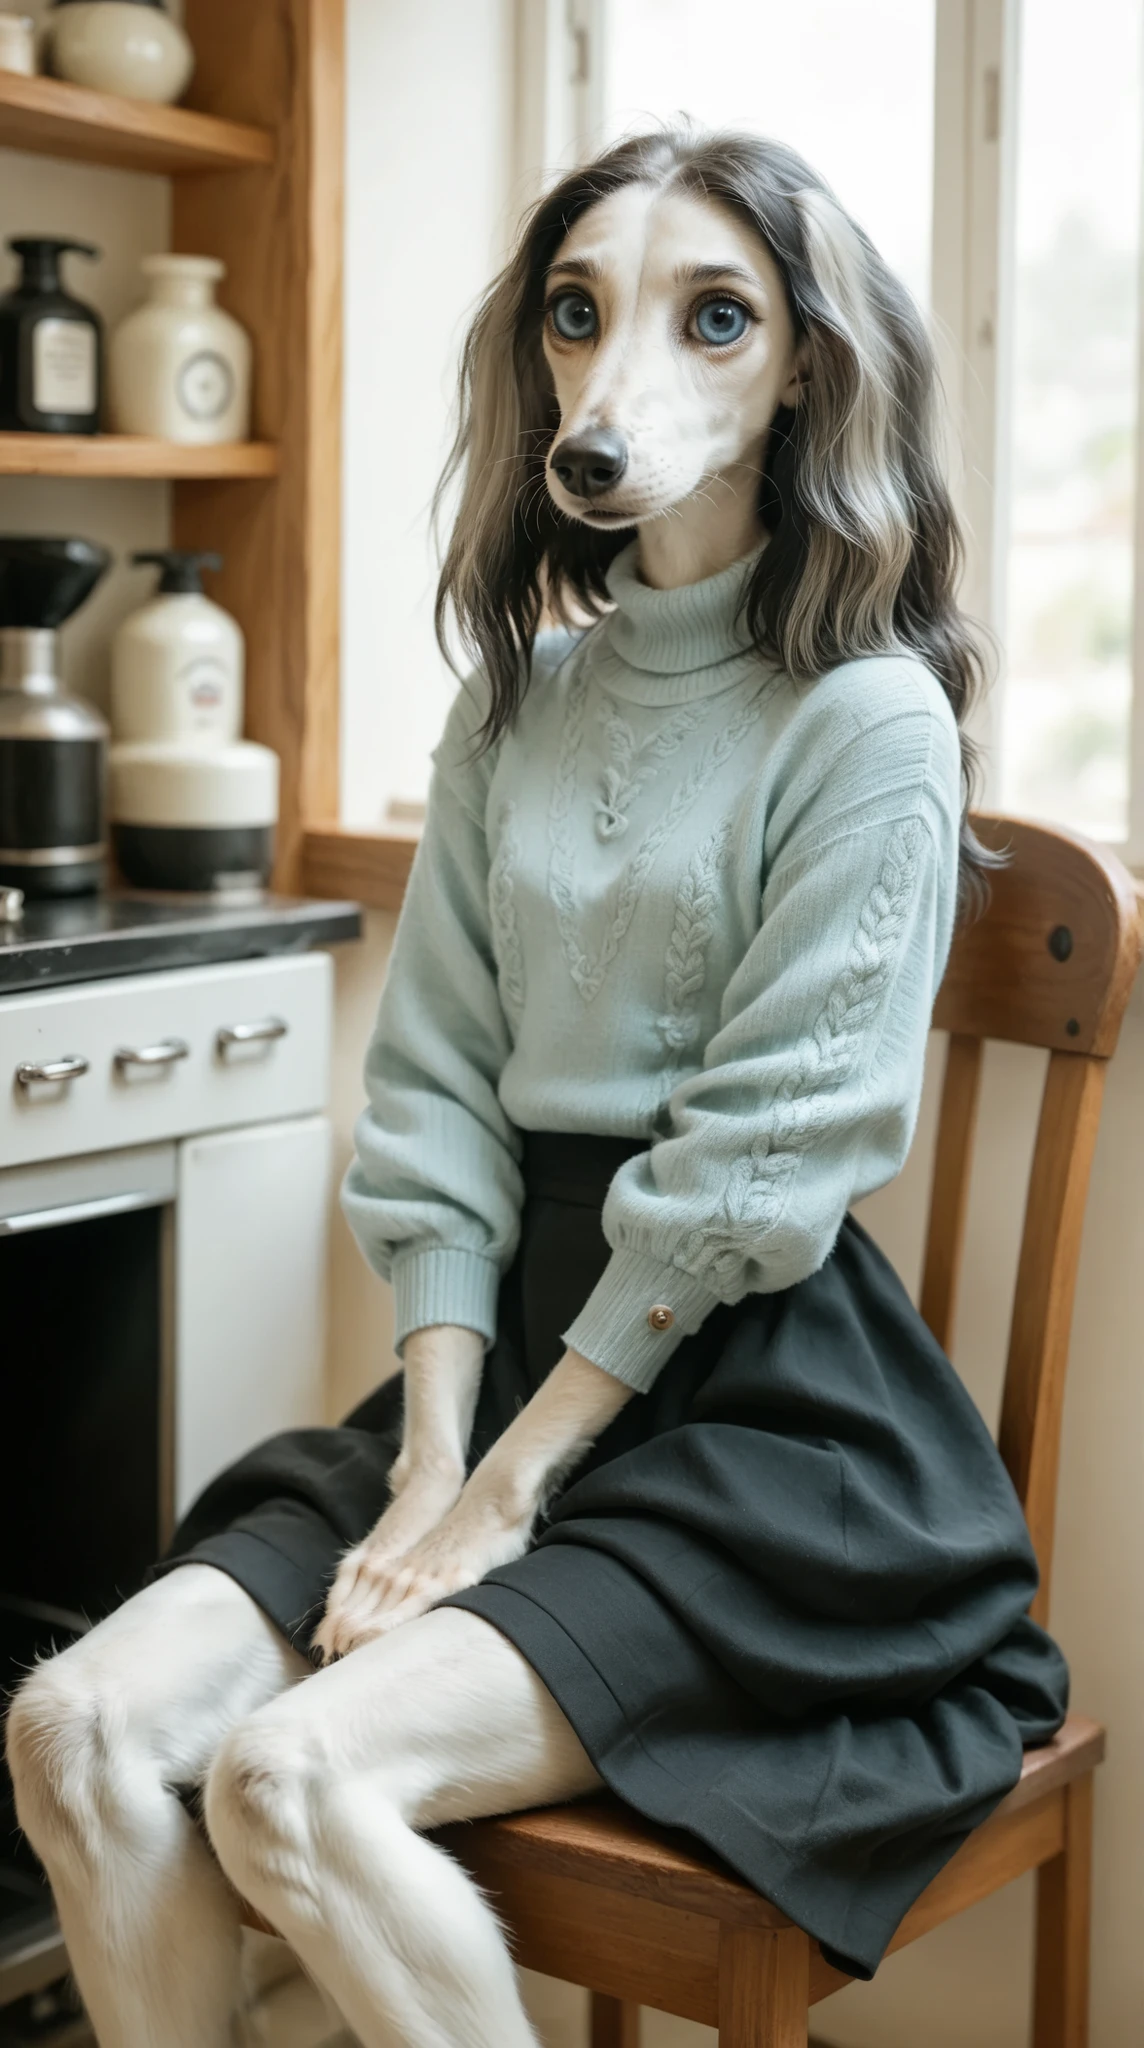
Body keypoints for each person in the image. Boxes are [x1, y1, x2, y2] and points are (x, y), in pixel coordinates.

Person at [8, 129, 1067, 2048]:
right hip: (492, 1371)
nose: (616, 382)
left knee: (285, 1784)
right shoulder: (514, 703)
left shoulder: (871, 718)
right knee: (74, 1729)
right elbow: (427, 1106)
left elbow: (768, 1163)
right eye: (581, 317)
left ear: (805, 370)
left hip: (767, 1420)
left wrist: (504, 1493)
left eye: (711, 318)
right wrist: (434, 1460)